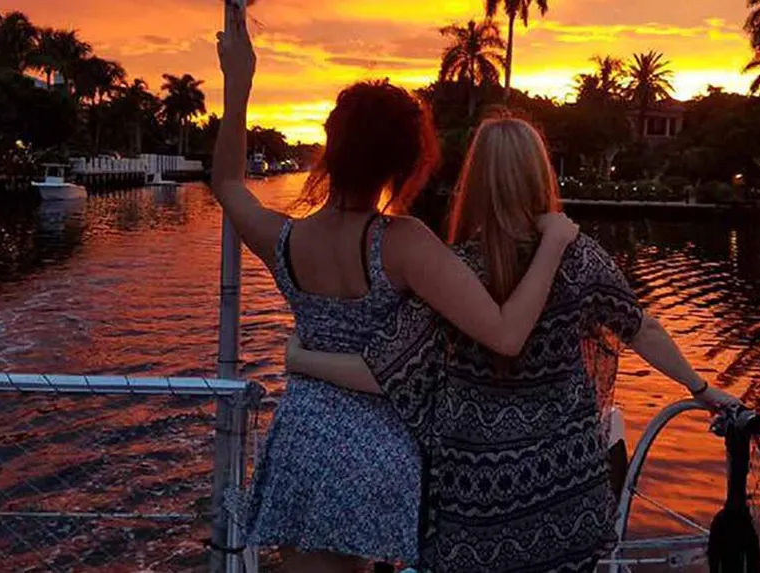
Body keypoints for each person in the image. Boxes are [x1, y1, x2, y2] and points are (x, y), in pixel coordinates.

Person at [286, 116, 741, 573]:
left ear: (476, 182)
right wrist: (700, 388)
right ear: (539, 174)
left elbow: (383, 373)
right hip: (566, 487)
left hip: (474, 499)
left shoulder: (454, 271)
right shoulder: (577, 258)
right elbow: (641, 329)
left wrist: (303, 359)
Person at [213, 9, 579, 573]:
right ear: (405, 162)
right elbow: (506, 335)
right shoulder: (403, 245)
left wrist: (239, 83)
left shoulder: (285, 241)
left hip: (303, 439)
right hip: (377, 449)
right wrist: (553, 243)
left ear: (330, 149)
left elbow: (228, 183)